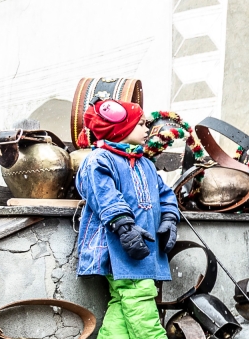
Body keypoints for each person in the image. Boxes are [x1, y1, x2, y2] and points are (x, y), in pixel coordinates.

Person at [74, 99, 180, 339]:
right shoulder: (99, 160)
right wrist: (124, 226)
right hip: (118, 248)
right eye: (141, 124)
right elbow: (103, 195)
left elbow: (165, 194)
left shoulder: (145, 164)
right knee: (140, 299)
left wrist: (170, 219)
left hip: (144, 249)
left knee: (122, 304)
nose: (147, 130)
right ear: (120, 129)